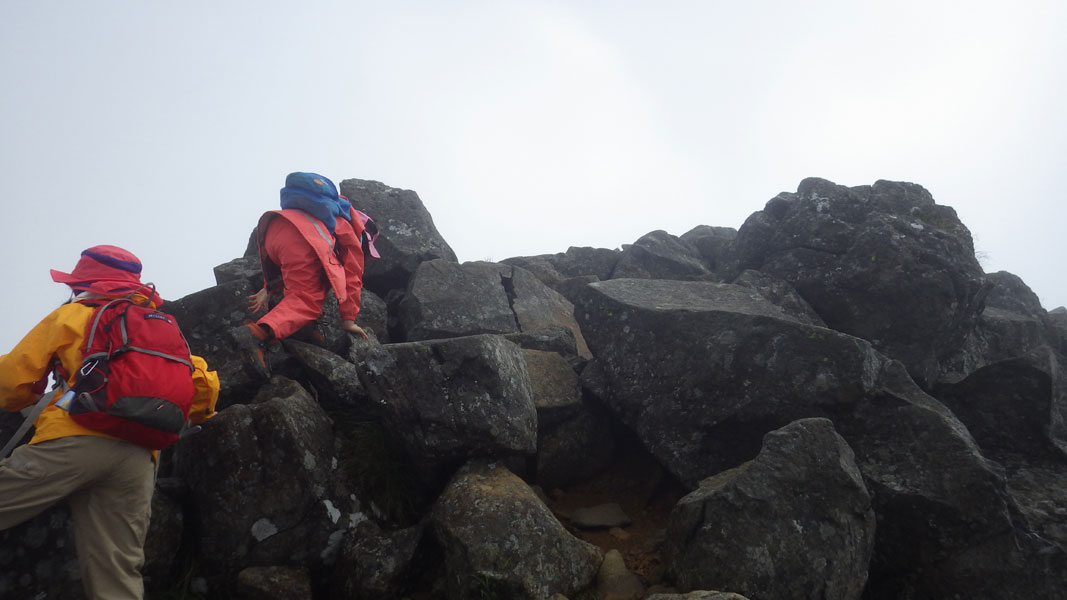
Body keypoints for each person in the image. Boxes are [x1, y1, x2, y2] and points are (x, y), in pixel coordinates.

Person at [0, 245, 220, 600]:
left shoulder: (73, 315)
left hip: (75, 440)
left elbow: (10, 384)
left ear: (84, 283)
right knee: (116, 574)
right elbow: (204, 394)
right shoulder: (162, 328)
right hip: (139, 457)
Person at [232, 172, 379, 376]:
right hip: (302, 239)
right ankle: (257, 334)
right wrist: (348, 319)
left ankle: (308, 329)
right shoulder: (347, 226)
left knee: (316, 279)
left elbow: (293, 263)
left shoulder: (325, 213)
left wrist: (270, 287)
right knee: (306, 300)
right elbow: (353, 276)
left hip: (274, 229)